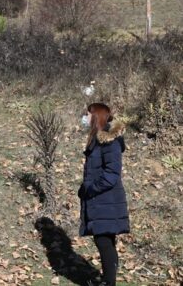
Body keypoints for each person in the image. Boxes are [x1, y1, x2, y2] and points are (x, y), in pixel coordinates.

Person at [78, 103, 129, 286]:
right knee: (106, 240)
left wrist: (90, 189)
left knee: (103, 240)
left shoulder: (110, 141)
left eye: (88, 114)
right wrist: (84, 188)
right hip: (102, 199)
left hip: (107, 199)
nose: (85, 117)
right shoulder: (98, 139)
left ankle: (109, 282)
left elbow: (112, 174)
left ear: (97, 116)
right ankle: (108, 280)